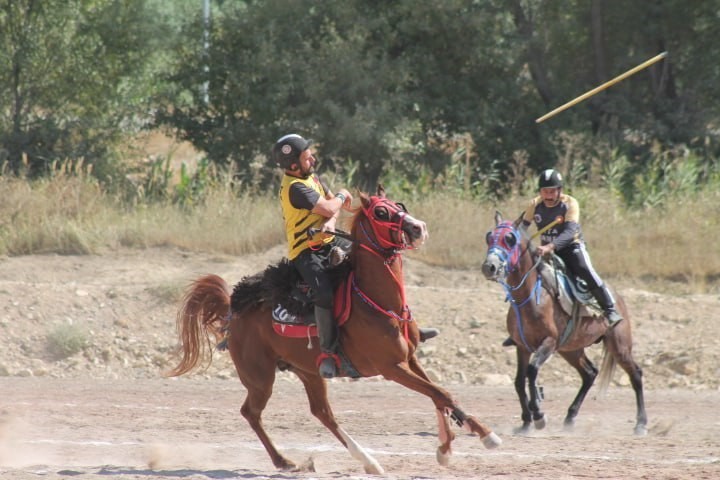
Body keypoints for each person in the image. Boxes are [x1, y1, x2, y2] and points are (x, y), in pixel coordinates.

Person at [273, 134, 438, 378]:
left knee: (377, 261)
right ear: (294, 165)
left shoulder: (313, 178)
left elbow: (335, 210)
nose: (314, 159)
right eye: (308, 157)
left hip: (328, 240)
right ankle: (328, 352)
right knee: (324, 293)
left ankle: (406, 326)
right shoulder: (296, 188)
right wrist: (340, 195)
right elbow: (333, 205)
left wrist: (331, 219)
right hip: (307, 251)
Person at [521, 168, 623, 329]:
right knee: (525, 276)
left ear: (559, 191)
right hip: (545, 250)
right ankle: (519, 326)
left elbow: (570, 232)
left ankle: (609, 309)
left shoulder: (570, 204)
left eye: (552, 191)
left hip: (571, 247)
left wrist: (550, 246)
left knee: (585, 270)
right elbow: (522, 228)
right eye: (544, 191)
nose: (548, 195)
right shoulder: (534, 205)